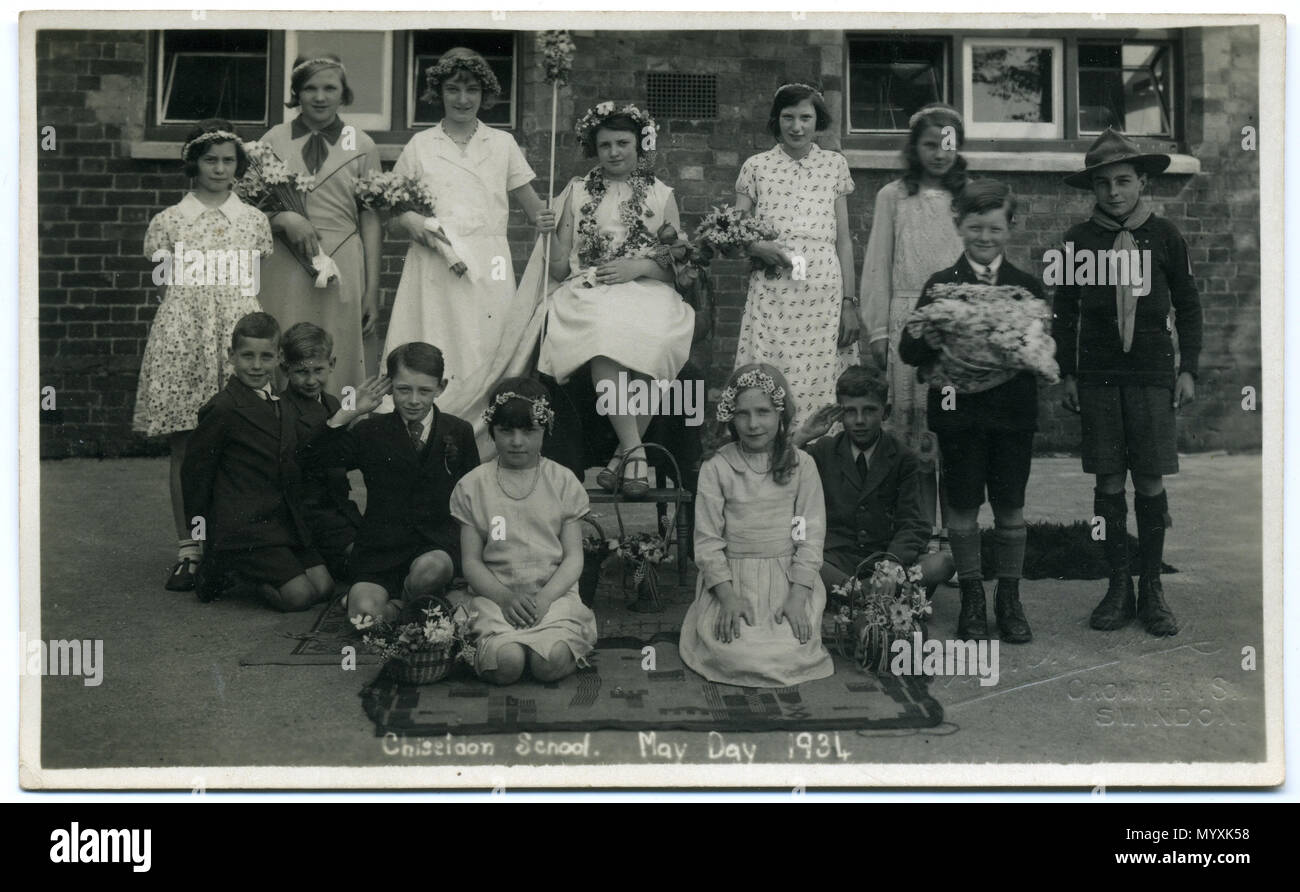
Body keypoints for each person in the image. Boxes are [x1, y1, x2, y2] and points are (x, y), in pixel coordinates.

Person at [1053, 128, 1202, 637]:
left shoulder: (1165, 237)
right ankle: (1118, 585)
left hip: (1150, 375)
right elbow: (1065, 313)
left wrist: (1187, 370)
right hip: (1098, 378)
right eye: (1102, 184)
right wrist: (1068, 374)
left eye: (1123, 181)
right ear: (1091, 189)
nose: (1113, 192)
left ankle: (1153, 588)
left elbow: (1189, 306)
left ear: (1142, 181)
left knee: (1152, 479)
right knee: (1109, 480)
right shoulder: (1077, 242)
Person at [898, 179, 1046, 643]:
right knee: (962, 510)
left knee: (1010, 510)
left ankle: (1010, 598)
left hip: (1012, 419)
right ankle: (973, 599)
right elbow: (909, 350)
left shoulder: (1026, 286)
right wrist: (936, 329)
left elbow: (1042, 350)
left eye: (995, 228)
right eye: (976, 227)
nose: (985, 237)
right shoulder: (942, 286)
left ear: (1011, 227)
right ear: (959, 226)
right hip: (959, 418)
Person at [133, 119, 272, 592]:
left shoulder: (253, 220)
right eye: (210, 159)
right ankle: (188, 551)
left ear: (239, 165)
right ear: (194, 163)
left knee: (242, 442)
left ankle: (235, 547)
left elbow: (252, 279)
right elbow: (167, 281)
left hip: (236, 333)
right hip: (184, 336)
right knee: (185, 446)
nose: (219, 168)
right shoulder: (169, 222)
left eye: (228, 160)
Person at [381, 47, 555, 410]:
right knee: (434, 342)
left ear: (485, 94)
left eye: (472, 90)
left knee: (485, 345)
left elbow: (534, 208)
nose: (463, 99)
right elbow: (394, 215)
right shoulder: (421, 145)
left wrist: (546, 218)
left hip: (488, 262)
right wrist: (409, 220)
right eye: (453, 90)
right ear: (438, 93)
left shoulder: (502, 143)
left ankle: (482, 433)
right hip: (435, 262)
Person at [537, 101, 694, 496]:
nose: (614, 152)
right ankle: (635, 453)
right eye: (605, 144)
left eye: (623, 142)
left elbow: (676, 266)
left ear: (640, 144)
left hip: (648, 288)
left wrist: (638, 267)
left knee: (661, 337)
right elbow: (558, 270)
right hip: (592, 288)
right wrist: (546, 231)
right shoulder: (576, 192)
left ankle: (623, 458)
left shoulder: (661, 194)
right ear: (595, 148)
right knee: (604, 337)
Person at [299, 342, 479, 624]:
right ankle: (415, 608)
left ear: (441, 387)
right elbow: (312, 460)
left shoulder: (459, 431)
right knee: (365, 619)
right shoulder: (370, 431)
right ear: (389, 387)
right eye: (403, 389)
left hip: (434, 549)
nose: (414, 400)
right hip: (380, 554)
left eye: (425, 390)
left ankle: (400, 605)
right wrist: (348, 412)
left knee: (430, 570)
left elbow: (473, 501)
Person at [679, 364, 834, 687]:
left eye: (763, 412)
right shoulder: (717, 467)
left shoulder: (801, 465)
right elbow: (707, 541)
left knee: (786, 653)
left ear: (781, 414)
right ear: (730, 417)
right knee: (735, 656)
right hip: (733, 583)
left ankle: (786, 627)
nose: (753, 424)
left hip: (785, 581)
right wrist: (726, 595)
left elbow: (808, 533)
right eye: (743, 414)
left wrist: (797, 595)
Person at [860, 102, 970, 538]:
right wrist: (881, 330)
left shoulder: (969, 195)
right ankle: (919, 533)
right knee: (914, 438)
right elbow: (877, 263)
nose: (940, 154)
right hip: (908, 322)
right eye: (930, 144)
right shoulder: (894, 196)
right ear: (915, 147)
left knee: (954, 434)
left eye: (948, 145)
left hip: (957, 325)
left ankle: (956, 535)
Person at [451, 377, 598, 685]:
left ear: (546, 430)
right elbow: (472, 562)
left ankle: (555, 644)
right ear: (492, 430)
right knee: (508, 664)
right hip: (495, 596)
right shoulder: (473, 485)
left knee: (548, 664)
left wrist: (544, 599)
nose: (517, 441)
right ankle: (505, 648)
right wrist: (504, 598)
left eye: (529, 431)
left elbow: (573, 558)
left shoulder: (562, 481)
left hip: (552, 596)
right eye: (506, 431)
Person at [181, 312, 332, 610]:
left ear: (279, 359)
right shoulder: (224, 408)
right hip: (243, 527)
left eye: (265, 357)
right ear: (231, 356)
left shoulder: (278, 400)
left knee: (324, 587)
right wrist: (203, 537)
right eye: (247, 356)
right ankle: (230, 567)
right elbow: (196, 474)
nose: (256, 365)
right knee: (299, 597)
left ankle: (254, 566)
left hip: (280, 520)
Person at [733, 83, 859, 431]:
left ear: (818, 121)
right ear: (777, 120)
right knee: (770, 367)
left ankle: (816, 455)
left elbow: (844, 240)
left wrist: (849, 301)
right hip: (775, 284)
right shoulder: (757, 166)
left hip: (822, 288)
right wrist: (757, 247)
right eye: (788, 117)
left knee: (818, 375)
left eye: (806, 117)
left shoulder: (833, 165)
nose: (797, 127)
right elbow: (734, 230)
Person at [259, 54, 382, 394]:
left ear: (344, 93)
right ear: (296, 93)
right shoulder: (274, 140)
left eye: (330, 87)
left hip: (342, 260)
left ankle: (339, 427)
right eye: (309, 88)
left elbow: (370, 220)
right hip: (285, 261)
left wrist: (371, 289)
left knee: (338, 344)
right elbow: (251, 211)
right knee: (286, 336)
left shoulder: (361, 143)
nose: (320, 97)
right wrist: (283, 219)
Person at [792, 366, 952, 597]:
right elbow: (780, 472)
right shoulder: (823, 451)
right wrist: (803, 435)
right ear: (840, 413)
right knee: (801, 562)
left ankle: (856, 596)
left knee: (943, 563)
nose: (859, 420)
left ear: (885, 412)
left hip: (885, 558)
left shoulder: (903, 457)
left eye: (869, 410)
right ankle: (873, 596)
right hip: (836, 559)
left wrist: (892, 562)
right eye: (850, 412)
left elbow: (914, 522)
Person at [279, 322, 362, 582]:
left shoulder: (332, 403)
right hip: (311, 514)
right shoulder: (282, 410)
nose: (312, 380)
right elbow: (302, 458)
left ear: (332, 364)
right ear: (285, 369)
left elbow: (344, 457)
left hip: (340, 507)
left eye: (319, 370)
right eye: (302, 372)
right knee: (367, 561)